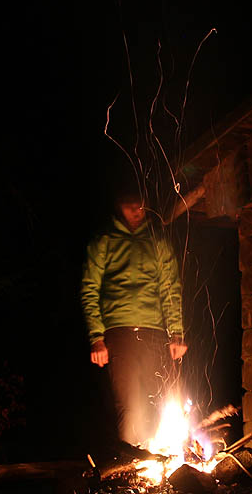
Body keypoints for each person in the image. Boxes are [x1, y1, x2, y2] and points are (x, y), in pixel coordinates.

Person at [80, 187, 188, 450]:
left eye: (140, 206)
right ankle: (131, 466)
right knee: (130, 404)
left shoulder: (157, 241)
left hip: (154, 332)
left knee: (161, 398)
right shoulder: (104, 240)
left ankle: (165, 459)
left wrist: (176, 333)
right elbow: (89, 289)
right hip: (119, 331)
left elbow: (170, 289)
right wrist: (97, 337)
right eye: (130, 206)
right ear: (119, 206)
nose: (136, 212)